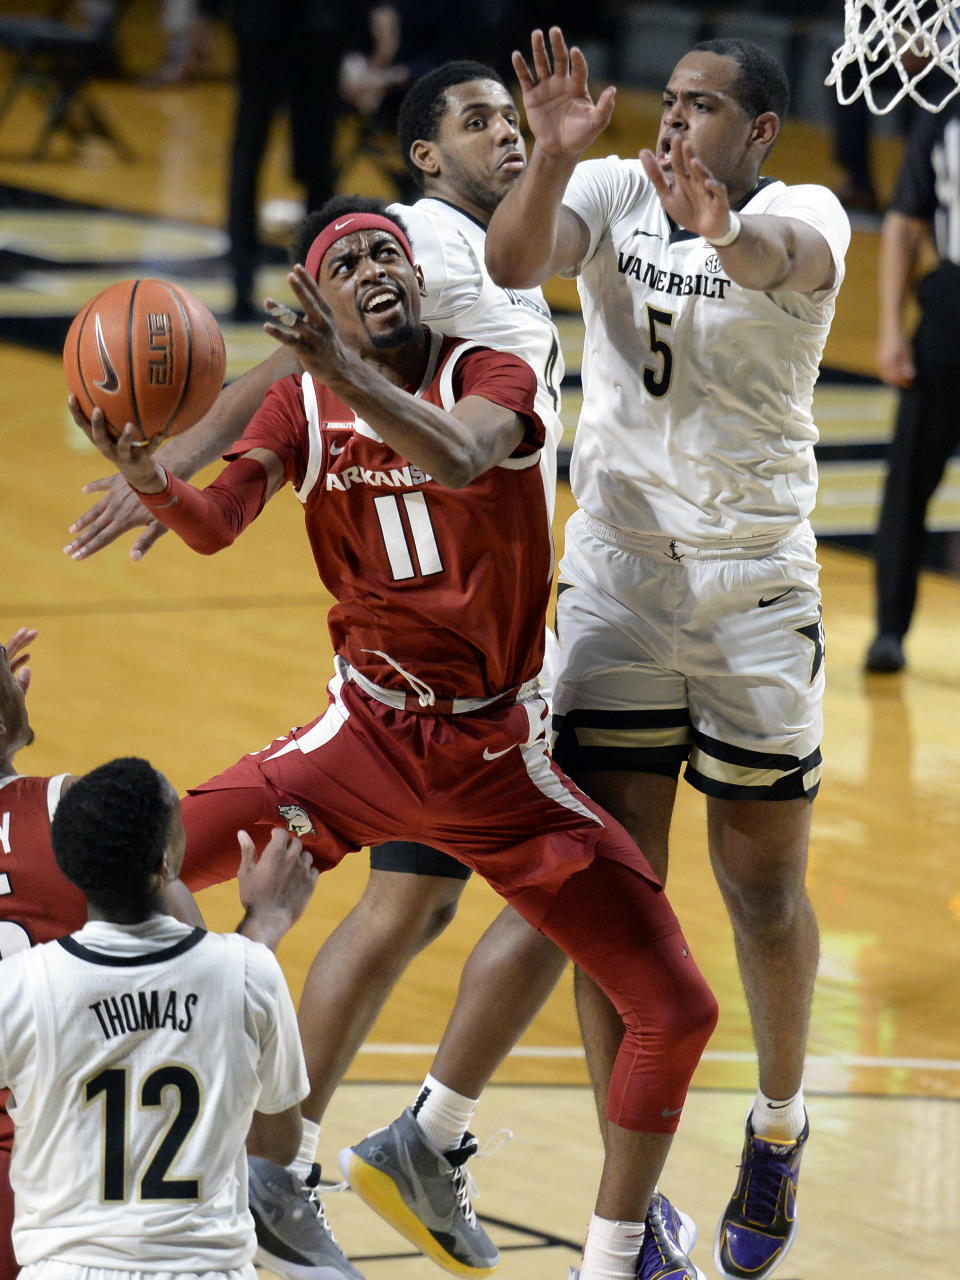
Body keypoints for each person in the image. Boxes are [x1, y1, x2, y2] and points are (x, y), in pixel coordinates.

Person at [76, 197, 720, 1280]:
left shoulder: (493, 368)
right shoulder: (296, 405)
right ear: (315, 297)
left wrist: (340, 372)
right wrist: (157, 483)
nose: (375, 267)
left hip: (493, 761)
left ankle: (612, 1261)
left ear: (418, 280)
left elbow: (463, 458)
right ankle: (216, 1166)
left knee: (676, 1006)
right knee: (115, 859)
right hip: (359, 741)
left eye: (389, 253)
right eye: (347, 260)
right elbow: (216, 522)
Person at [66, 60, 576, 1280]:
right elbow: (297, 367)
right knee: (538, 893)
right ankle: (335, 1156)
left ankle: (301, 1166)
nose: (503, 136)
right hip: (434, 662)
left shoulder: (526, 224)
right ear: (421, 159)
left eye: (510, 120)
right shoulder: (420, 253)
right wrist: (171, 466)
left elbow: (311, 365)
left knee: (416, 901)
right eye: (477, 122)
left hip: (491, 646)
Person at [484, 28, 850, 1280]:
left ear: (758, 134)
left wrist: (718, 236)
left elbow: (773, 257)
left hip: (754, 591)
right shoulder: (608, 186)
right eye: (671, 100)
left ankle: (779, 1124)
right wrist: (545, 155)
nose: (678, 121)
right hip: (621, 584)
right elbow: (512, 257)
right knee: (617, 900)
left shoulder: (807, 213)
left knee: (759, 891)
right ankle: (629, 1218)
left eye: (707, 107)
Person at [0, 631, 318, 1280]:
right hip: (142, 1222)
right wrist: (263, 924)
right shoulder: (69, 810)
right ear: (164, 861)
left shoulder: (22, 987)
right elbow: (198, 980)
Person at [863, 96, 960, 675]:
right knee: (909, 478)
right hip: (952, 307)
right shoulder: (946, 114)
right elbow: (905, 219)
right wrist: (891, 329)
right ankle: (888, 631)